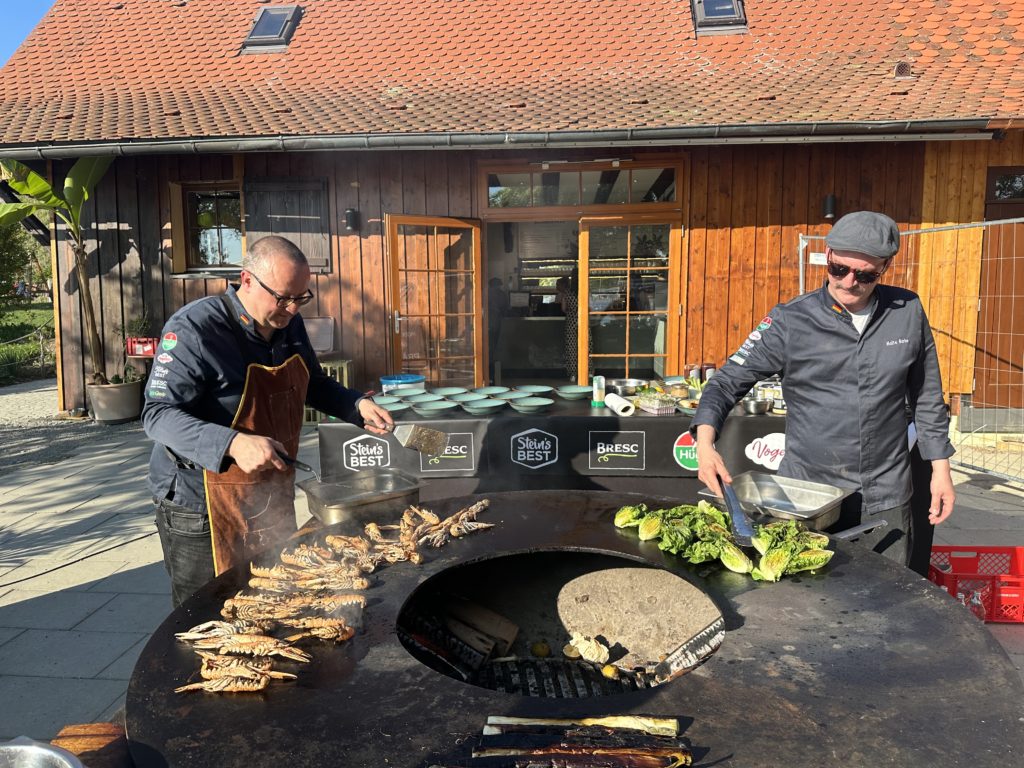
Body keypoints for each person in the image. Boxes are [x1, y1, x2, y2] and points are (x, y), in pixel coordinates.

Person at [692, 211, 955, 566]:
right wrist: (705, 444)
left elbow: (926, 394)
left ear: (886, 267)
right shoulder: (790, 320)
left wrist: (941, 470)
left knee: (888, 594)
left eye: (865, 275)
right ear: (828, 256)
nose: (849, 282)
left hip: (885, 492)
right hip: (808, 497)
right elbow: (726, 382)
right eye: (839, 269)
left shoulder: (906, 310)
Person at [143, 235, 394, 606]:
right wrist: (231, 443)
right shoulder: (195, 329)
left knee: (276, 598)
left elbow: (312, 383)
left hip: (269, 493)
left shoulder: (288, 323)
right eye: (283, 297)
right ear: (247, 280)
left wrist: (355, 405)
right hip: (199, 505)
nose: (292, 309)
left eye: (301, 298)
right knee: (208, 610)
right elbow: (157, 414)